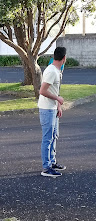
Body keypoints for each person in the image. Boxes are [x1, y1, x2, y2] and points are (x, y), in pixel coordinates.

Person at [38, 47, 67, 177]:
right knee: (47, 138)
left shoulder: (56, 70)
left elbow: (54, 90)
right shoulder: (51, 72)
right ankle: (46, 168)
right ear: (64, 58)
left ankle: (52, 162)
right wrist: (58, 99)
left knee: (54, 136)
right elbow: (42, 91)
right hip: (47, 109)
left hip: (53, 108)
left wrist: (58, 106)